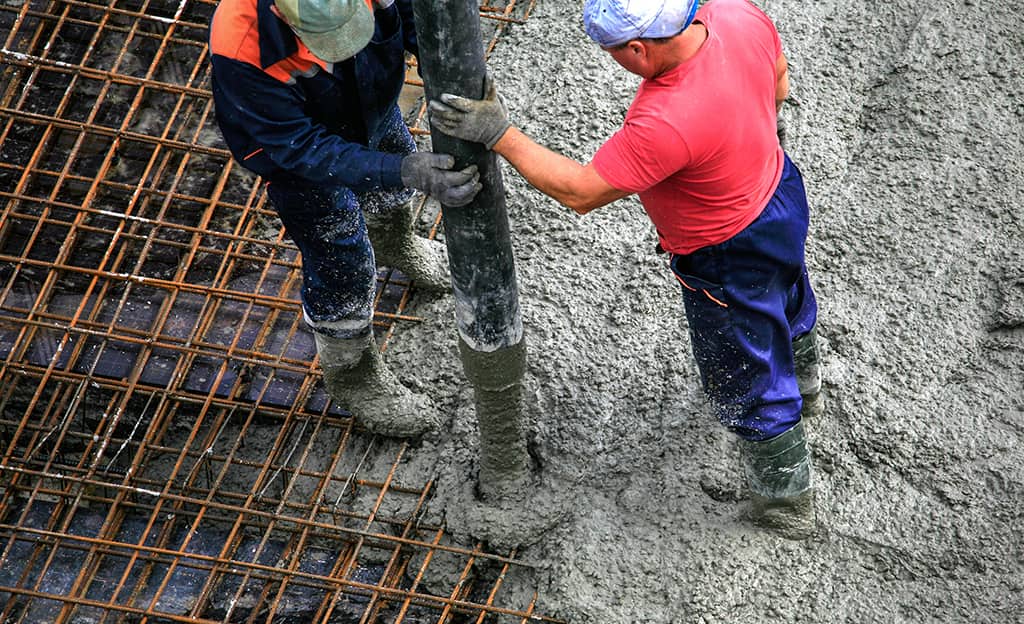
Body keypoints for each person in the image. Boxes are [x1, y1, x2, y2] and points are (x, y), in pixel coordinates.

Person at [428, 0, 823, 538]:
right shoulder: (734, 14)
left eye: (613, 53)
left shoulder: (667, 117)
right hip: (778, 191)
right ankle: (807, 383)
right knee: (788, 293)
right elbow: (777, 82)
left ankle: (787, 504)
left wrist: (500, 134)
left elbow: (581, 191)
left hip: (725, 250)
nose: (613, 61)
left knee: (745, 369)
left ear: (639, 48)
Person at [209, 0, 481, 438]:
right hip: (296, 151)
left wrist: (446, 71)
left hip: (367, 98)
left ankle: (397, 244)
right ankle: (353, 375)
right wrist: (404, 168)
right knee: (342, 255)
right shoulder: (243, 44)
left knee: (391, 177)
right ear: (282, 14)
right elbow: (297, 146)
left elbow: (417, 19)